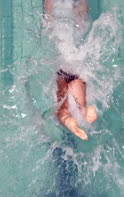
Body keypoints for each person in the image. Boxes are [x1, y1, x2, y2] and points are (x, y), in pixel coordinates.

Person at [44, 0, 97, 140]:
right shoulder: (78, 25)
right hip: (76, 67)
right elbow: (83, 14)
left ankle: (70, 121)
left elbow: (48, 16)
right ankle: (86, 110)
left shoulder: (55, 29)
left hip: (61, 69)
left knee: (62, 109)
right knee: (79, 104)